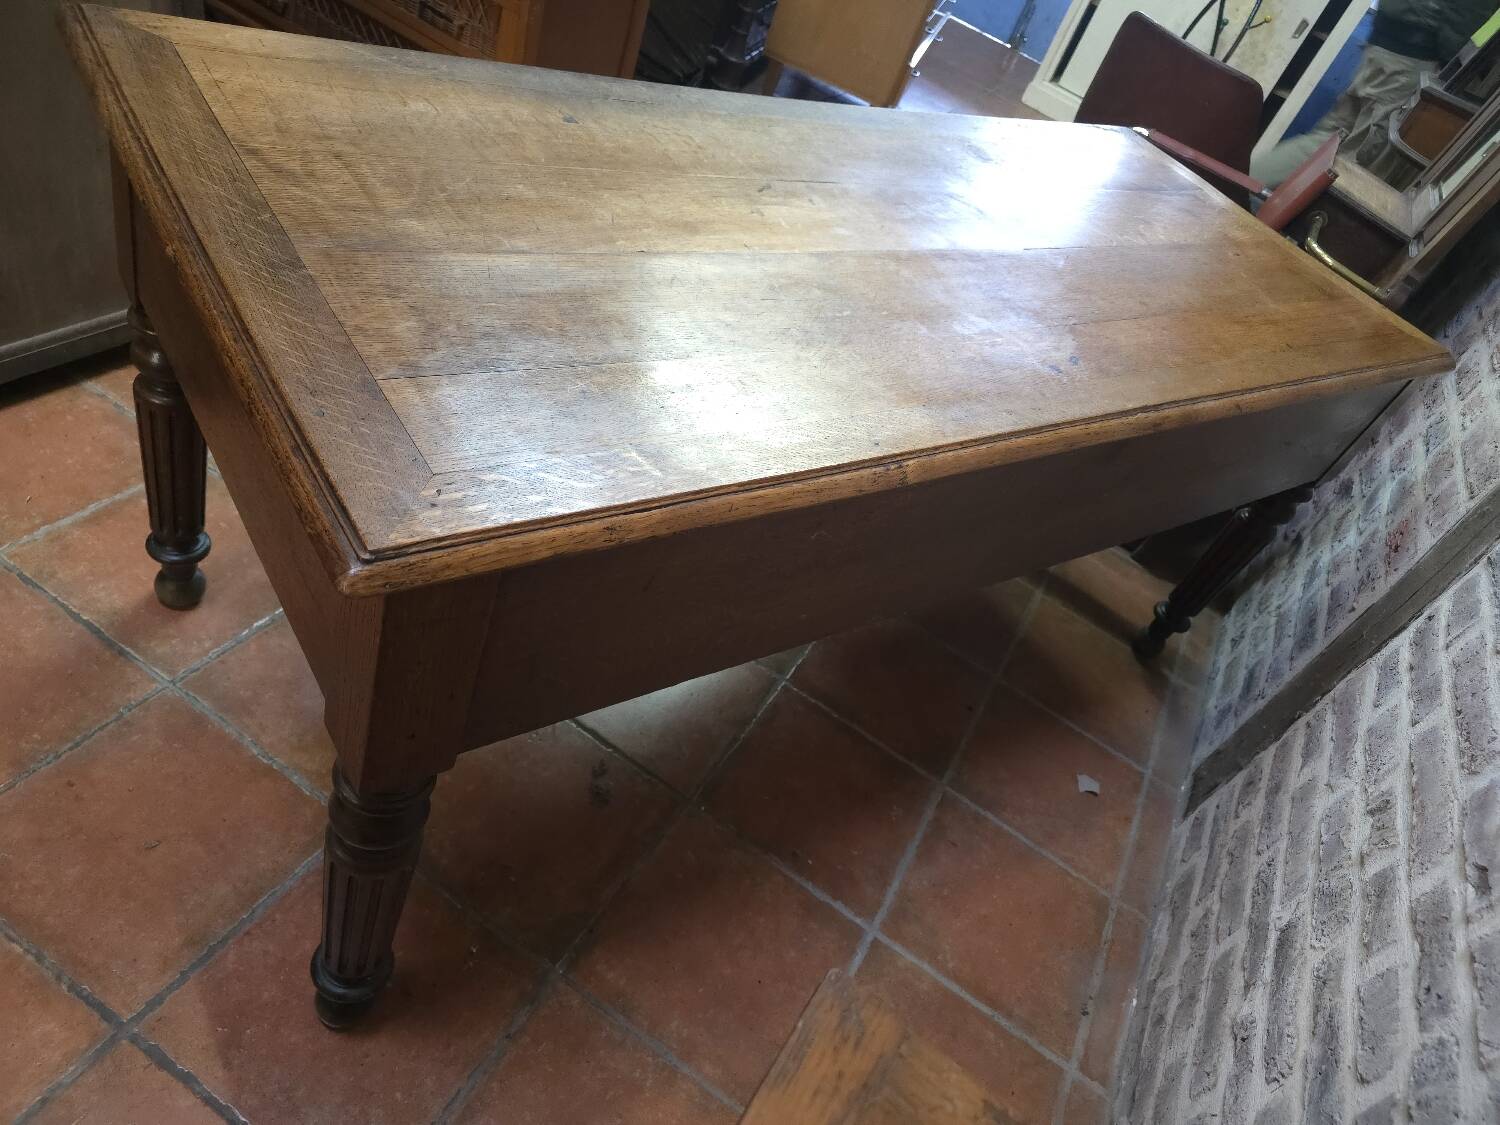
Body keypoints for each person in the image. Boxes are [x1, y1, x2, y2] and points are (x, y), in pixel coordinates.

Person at [1252, 0, 1495, 186]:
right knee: (1360, 167)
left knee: (1329, 141)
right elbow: (1471, 10)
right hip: (1417, 56)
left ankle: (1238, 183)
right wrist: (1456, 61)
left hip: (1387, 41)